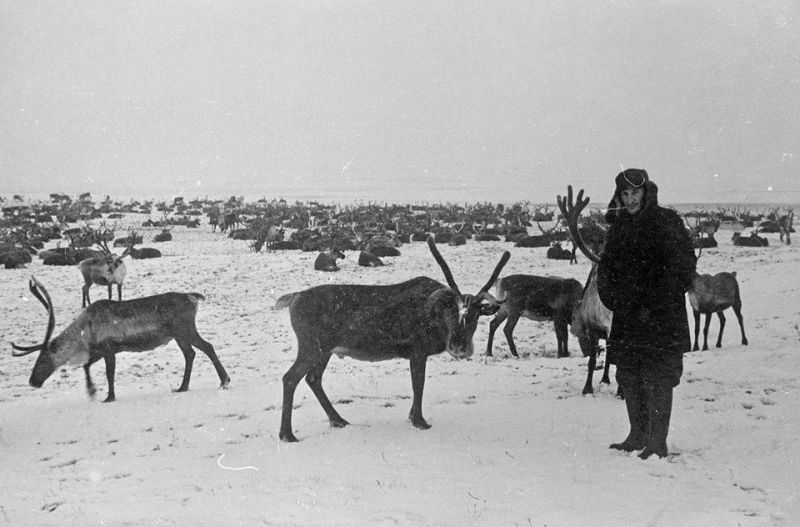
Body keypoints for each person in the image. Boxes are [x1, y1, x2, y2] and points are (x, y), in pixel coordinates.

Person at [597, 168, 696, 459]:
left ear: (647, 192)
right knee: (628, 374)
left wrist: (657, 299)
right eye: (624, 194)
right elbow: (606, 268)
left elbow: (684, 264)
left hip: (661, 317)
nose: (630, 200)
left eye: (635, 193)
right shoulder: (618, 226)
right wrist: (612, 296)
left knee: (658, 376)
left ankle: (657, 442)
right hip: (628, 315)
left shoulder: (667, 221)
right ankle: (636, 435)